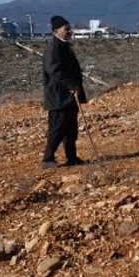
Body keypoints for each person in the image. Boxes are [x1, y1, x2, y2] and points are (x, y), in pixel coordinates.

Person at [42, 15, 87, 168]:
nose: (70, 31)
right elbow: (54, 71)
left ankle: (72, 158)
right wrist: (71, 86)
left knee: (71, 129)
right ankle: (48, 159)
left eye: (70, 29)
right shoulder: (53, 48)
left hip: (69, 96)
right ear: (56, 31)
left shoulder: (64, 46)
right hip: (58, 96)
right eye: (66, 29)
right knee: (57, 128)